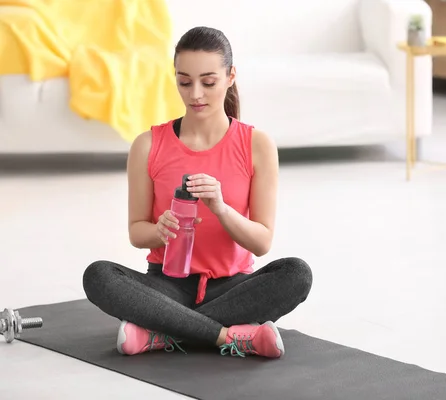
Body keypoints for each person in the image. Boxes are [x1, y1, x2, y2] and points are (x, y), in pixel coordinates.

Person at [82, 26, 313, 359]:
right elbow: (137, 232)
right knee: (99, 275)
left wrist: (221, 208)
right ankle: (227, 335)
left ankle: (159, 332)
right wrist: (158, 231)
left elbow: (261, 242)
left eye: (208, 82)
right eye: (185, 82)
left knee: (296, 273)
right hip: (166, 285)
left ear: (230, 76)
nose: (196, 95)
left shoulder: (257, 145)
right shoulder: (147, 145)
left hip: (232, 286)